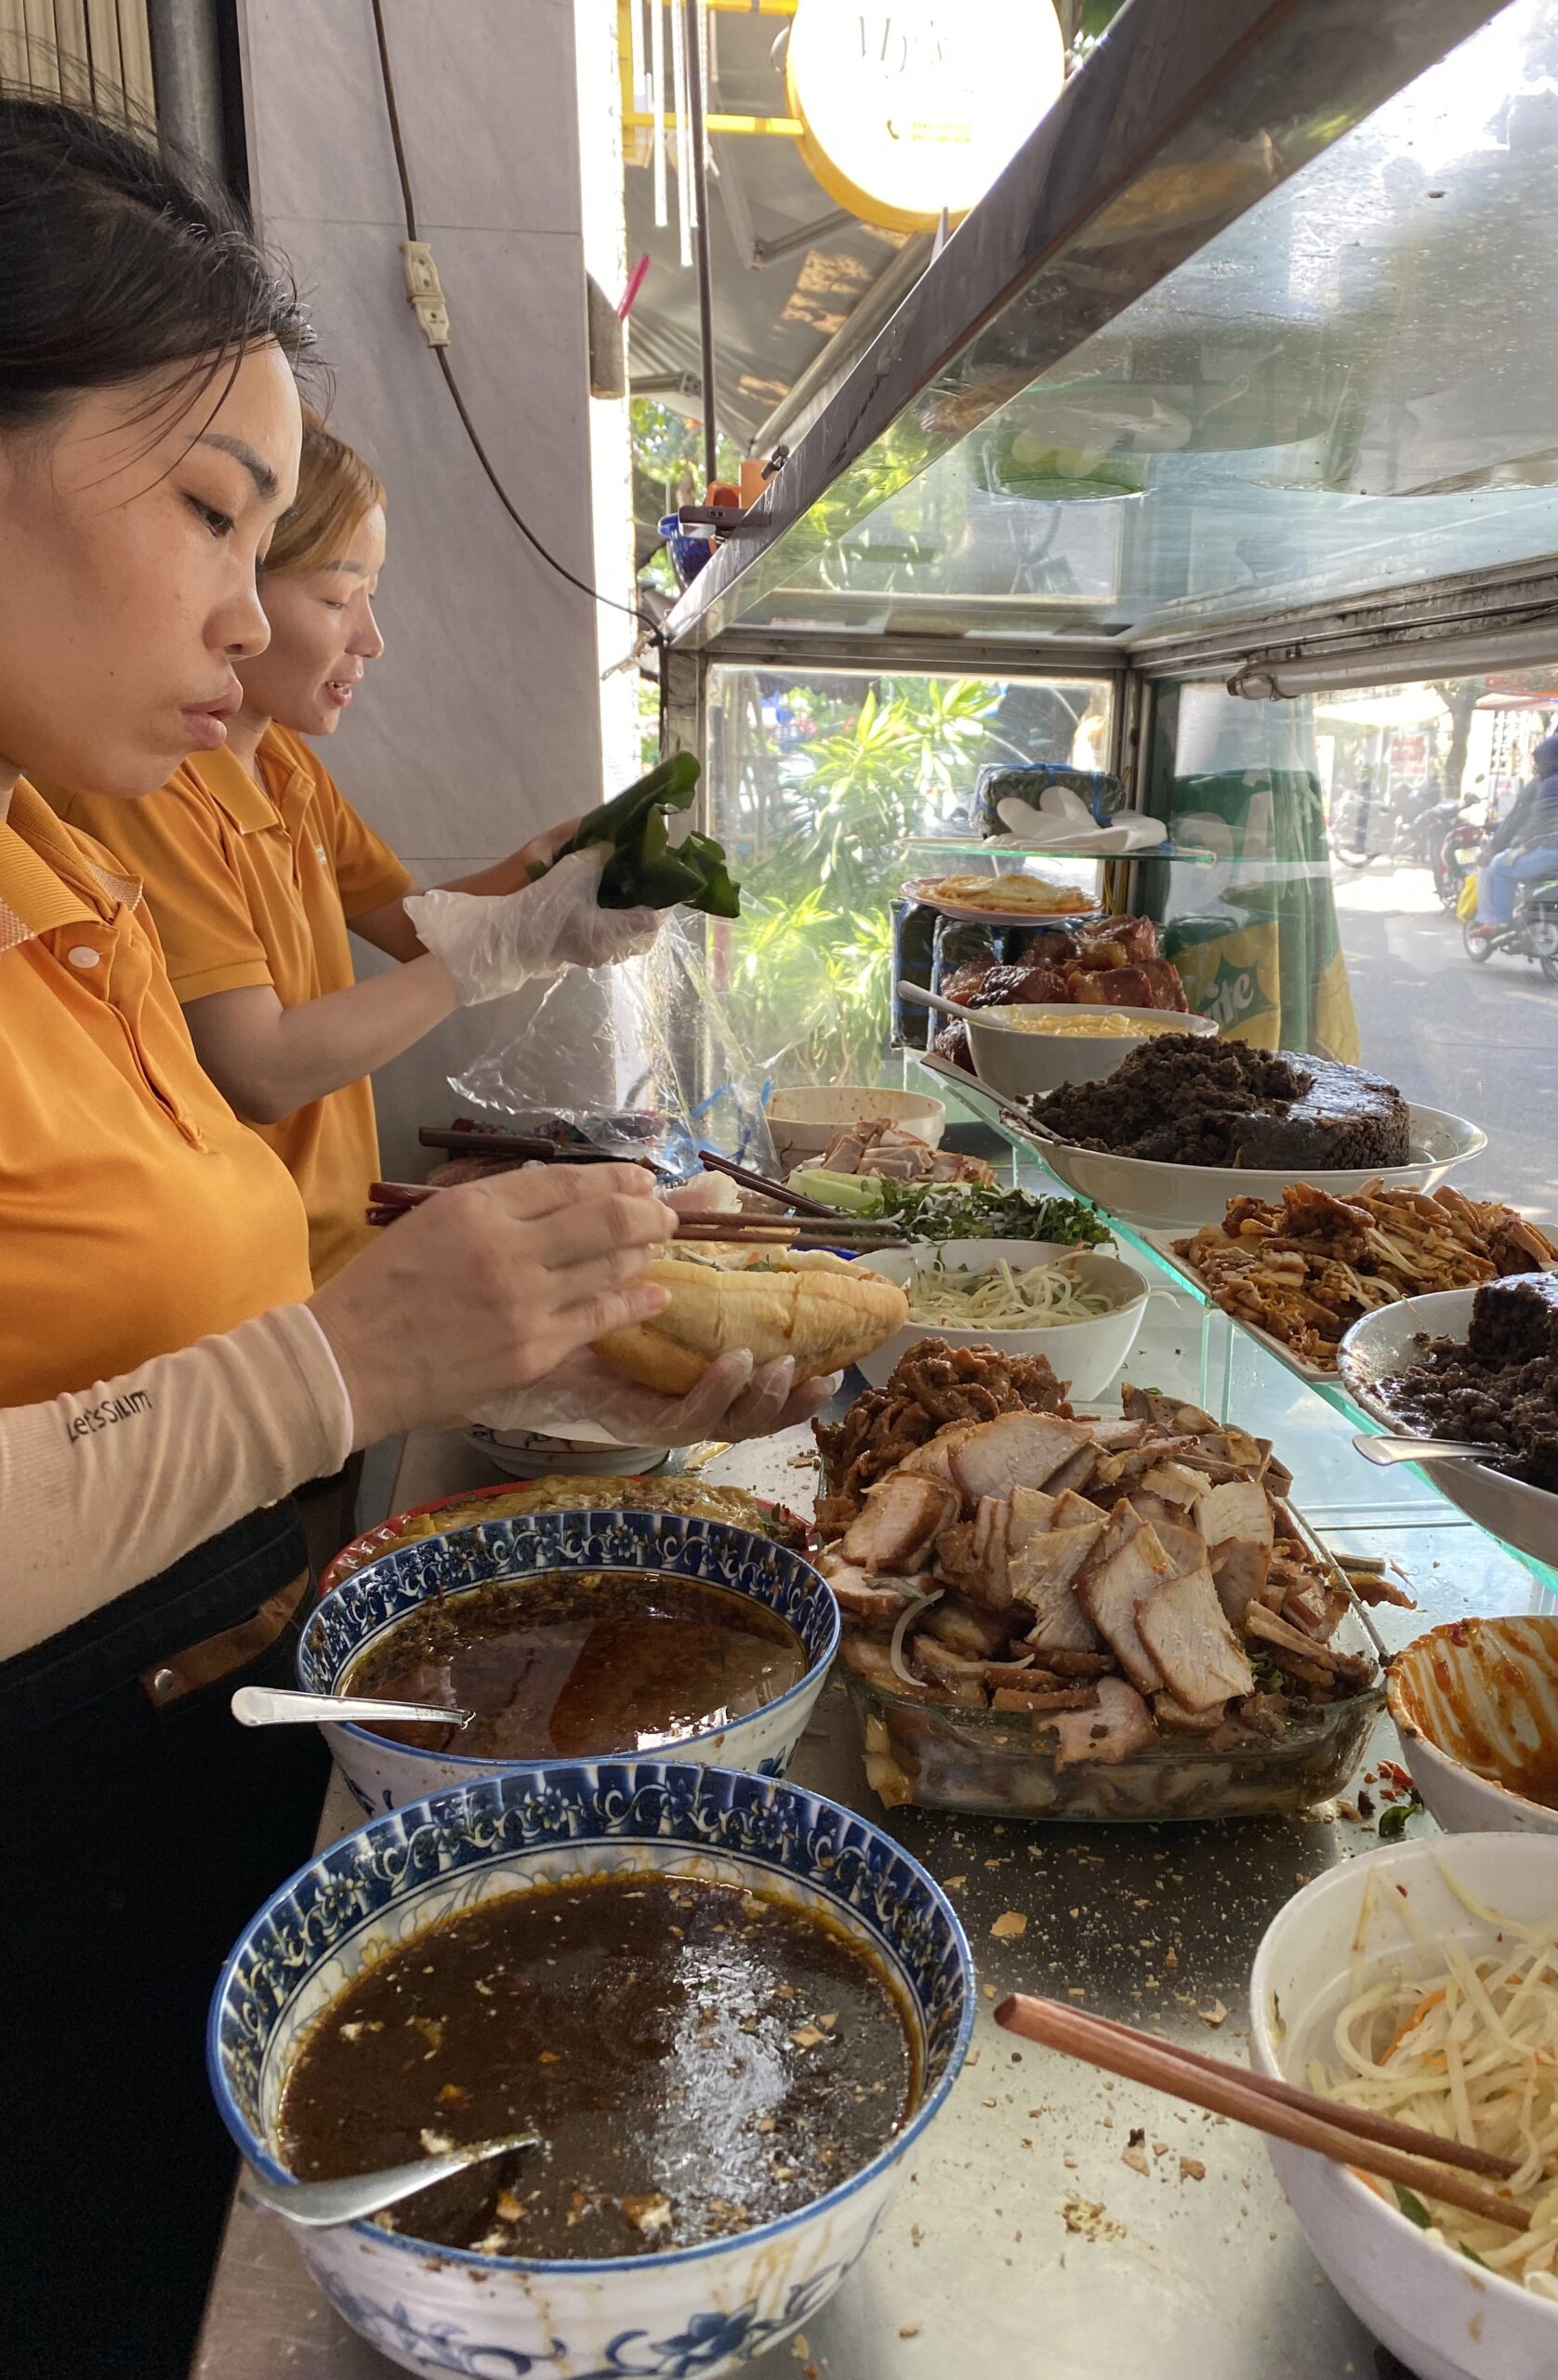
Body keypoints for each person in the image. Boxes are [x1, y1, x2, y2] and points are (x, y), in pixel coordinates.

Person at [0, 96, 826, 2378]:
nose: (257, 619)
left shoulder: (61, 860)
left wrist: (485, 1330)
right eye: (209, 514)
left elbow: (278, 1128)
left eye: (292, 558)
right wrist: (347, 1365)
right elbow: (290, 1123)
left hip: (187, 1730)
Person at [54, 411, 592, 1289]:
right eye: (340, 600)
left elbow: (422, 929)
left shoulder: (286, 766)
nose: (370, 639)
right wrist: (497, 947)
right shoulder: (143, 790)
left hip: (332, 1255)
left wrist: (558, 870)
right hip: (243, 1291)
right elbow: (258, 1070)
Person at [1474, 729, 1558, 928]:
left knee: (1500, 869)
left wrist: (1520, 847)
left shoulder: (1547, 784)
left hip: (1556, 854)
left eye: (1539, 761)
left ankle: (1502, 923)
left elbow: (1539, 822)